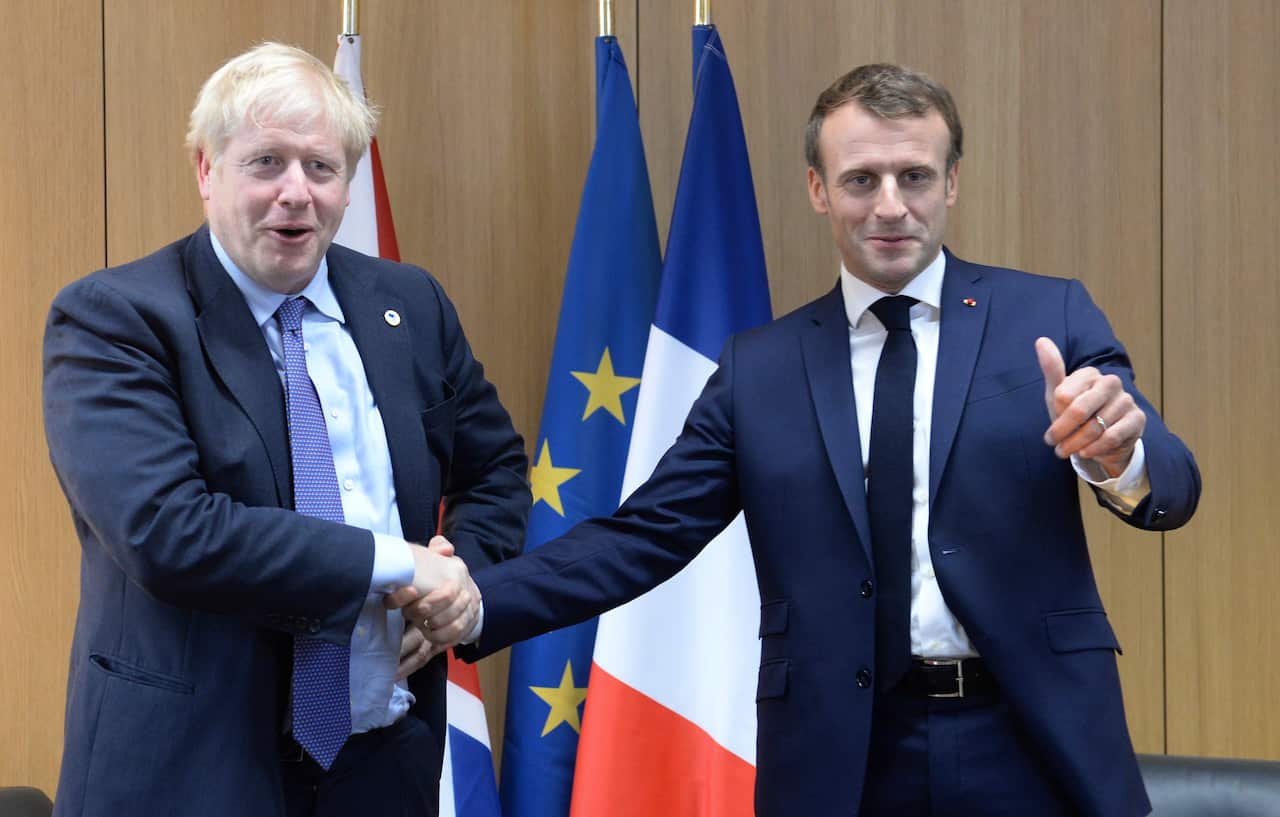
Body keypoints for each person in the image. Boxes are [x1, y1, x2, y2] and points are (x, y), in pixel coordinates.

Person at [404, 64, 1200, 816]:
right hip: (842, 754)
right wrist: (480, 601)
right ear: (819, 189)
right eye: (861, 179)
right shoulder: (761, 370)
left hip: (1030, 736)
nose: (891, 205)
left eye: (915, 176)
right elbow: (643, 535)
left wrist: (1119, 455)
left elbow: (1172, 484)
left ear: (951, 181)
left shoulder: (1049, 318)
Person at [41, 43, 527, 817]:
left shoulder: (411, 304)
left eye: (321, 167)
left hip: (383, 765)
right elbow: (169, 531)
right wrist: (392, 560)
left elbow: (496, 467)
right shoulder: (116, 319)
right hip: (191, 771)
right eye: (266, 162)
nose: (295, 193)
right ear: (207, 170)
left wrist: (456, 582)